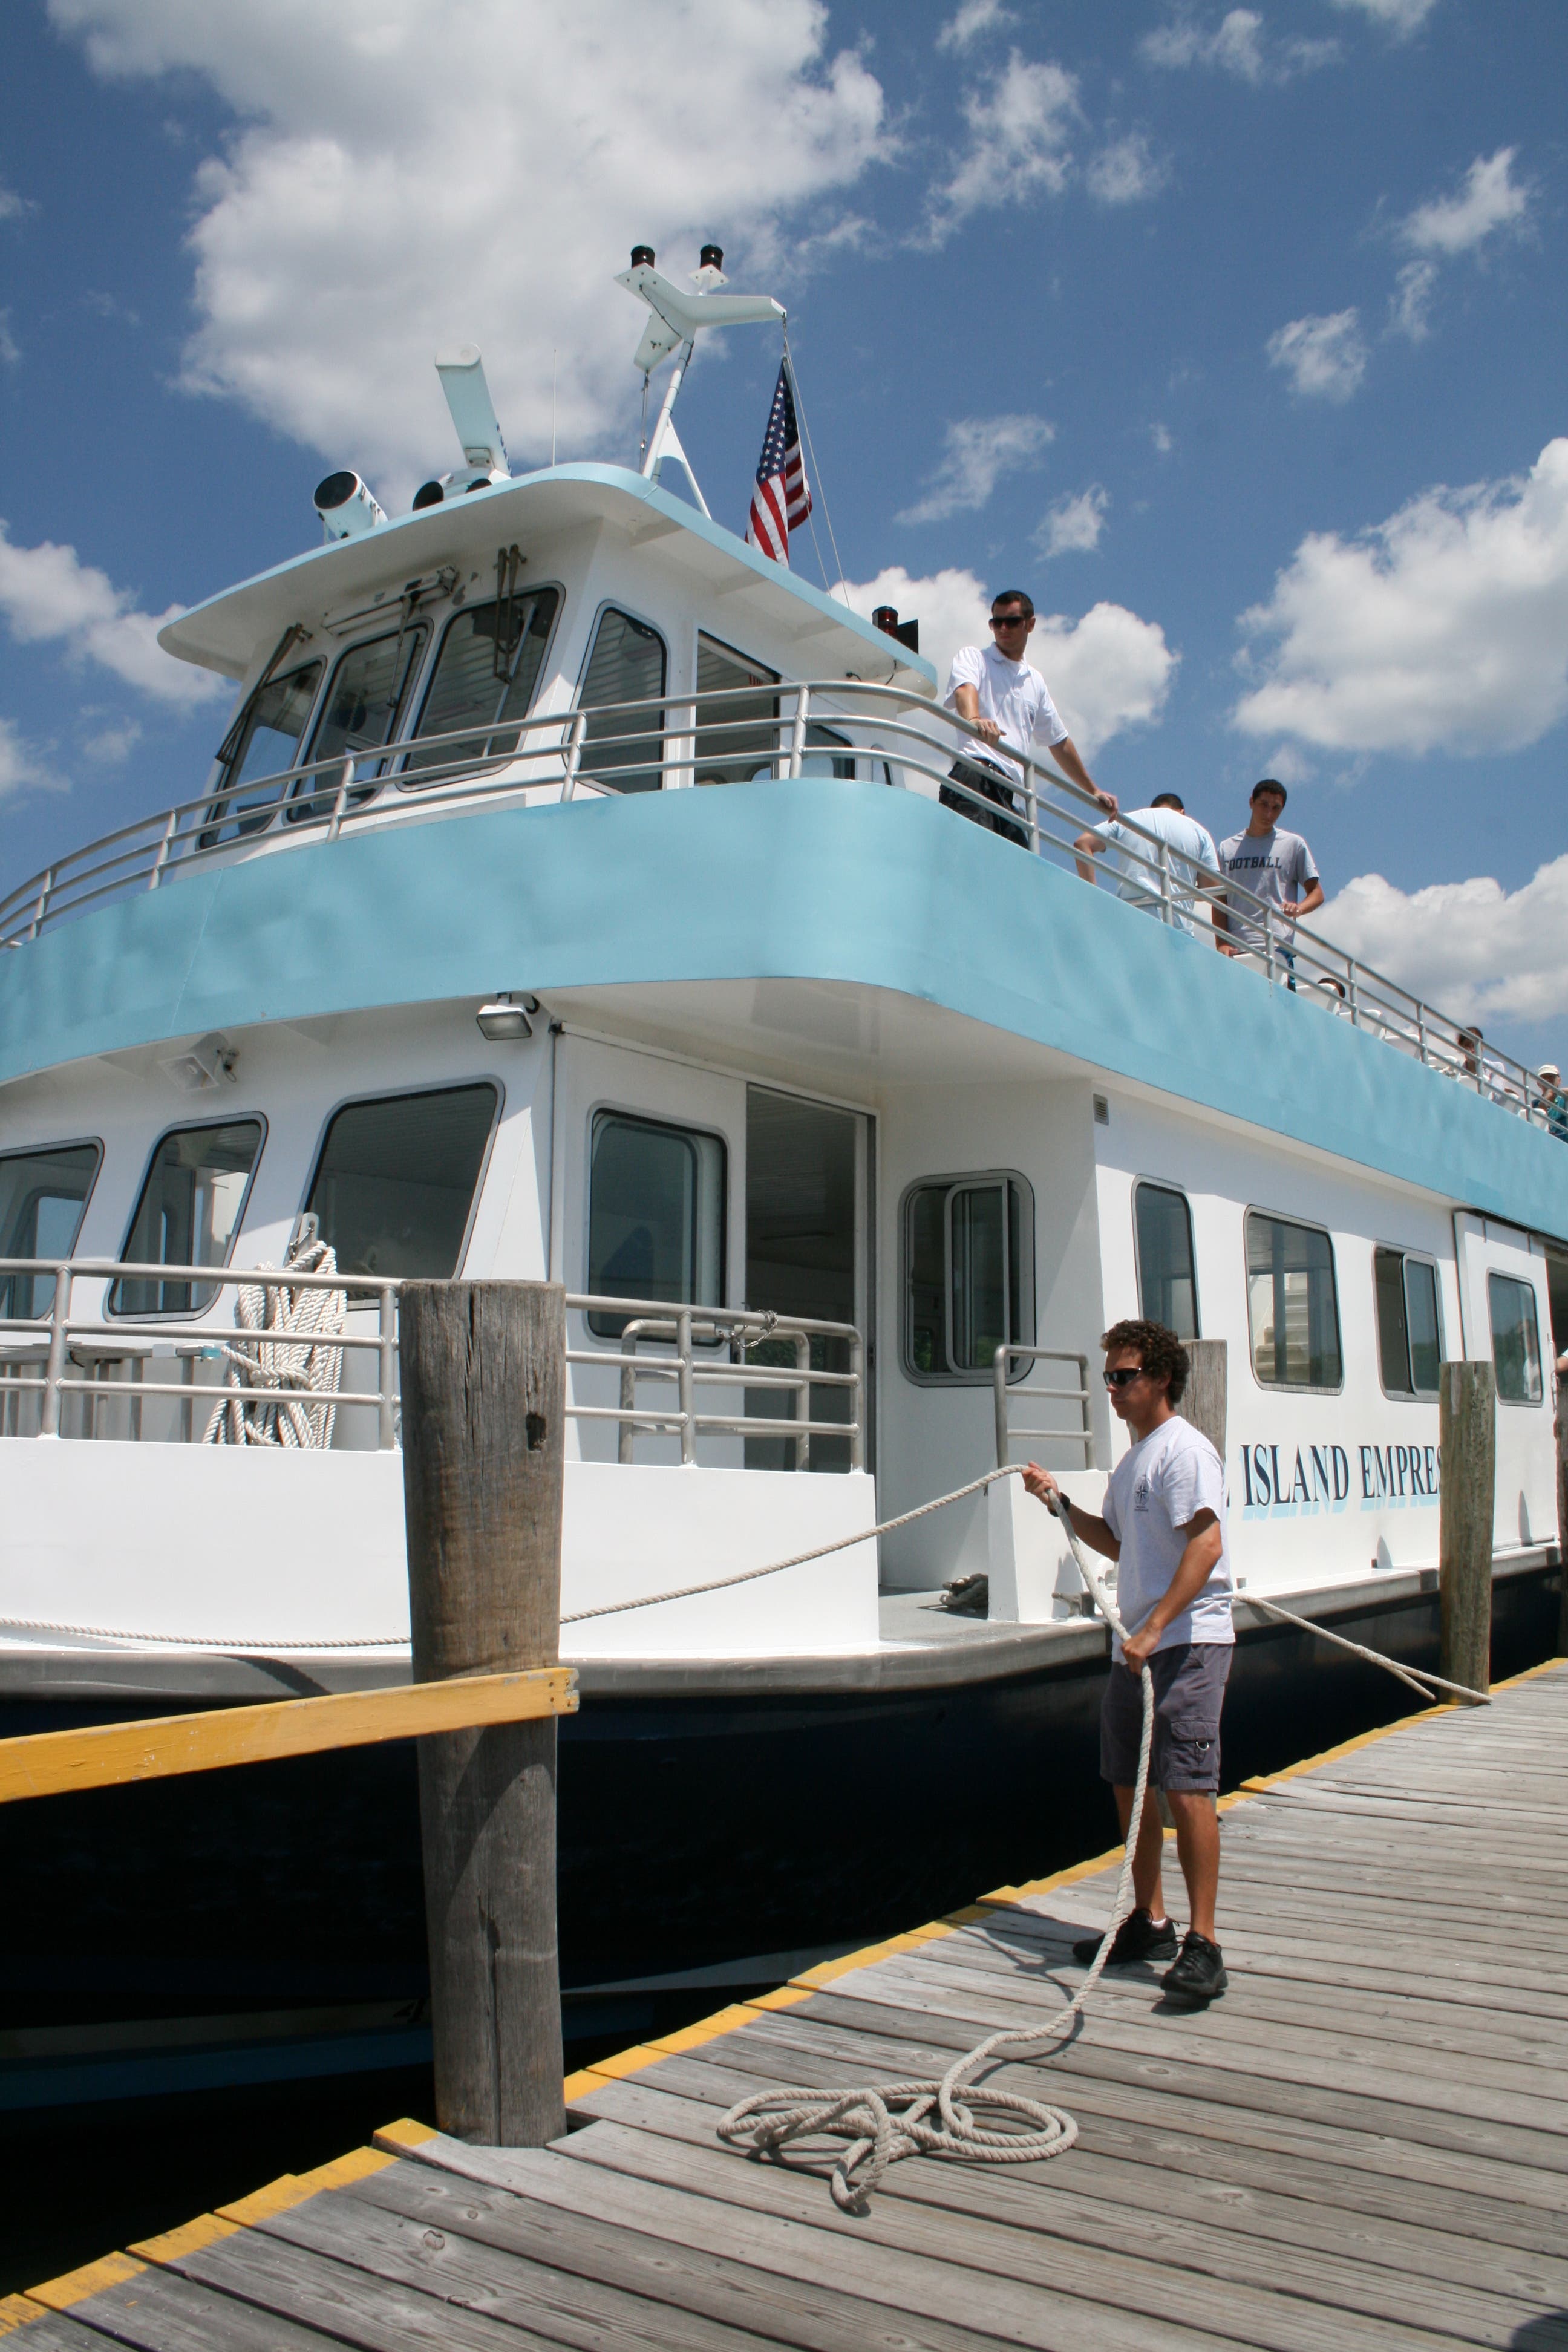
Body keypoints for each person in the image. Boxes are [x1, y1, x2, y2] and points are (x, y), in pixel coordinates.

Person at [1022, 1319, 1235, 2007]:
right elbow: (1115, 1541)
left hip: (1188, 1642)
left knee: (1188, 1786)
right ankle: (1150, 1922)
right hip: (1137, 1646)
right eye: (1108, 1376)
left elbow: (1205, 1547)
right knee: (1129, 1782)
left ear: (1161, 1380)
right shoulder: (1133, 1461)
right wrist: (1060, 1504)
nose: (1112, 1388)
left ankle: (1204, 1944)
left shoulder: (1185, 1451)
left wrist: (1158, 1627)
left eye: (1125, 1376)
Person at [943, 590, 1116, 846]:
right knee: (972, 858)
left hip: (1011, 792)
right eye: (996, 622)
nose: (1002, 628)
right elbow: (964, 690)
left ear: (1030, 624)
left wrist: (1093, 791)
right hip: (975, 774)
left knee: (1015, 877)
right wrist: (975, 718)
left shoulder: (1035, 681)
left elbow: (1059, 742)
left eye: (1011, 621)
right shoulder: (975, 657)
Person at [1214, 780, 1323, 984]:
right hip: (1236, 946)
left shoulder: (1293, 844)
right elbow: (1219, 900)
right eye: (1264, 805)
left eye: (1276, 808)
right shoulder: (1227, 848)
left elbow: (1317, 894)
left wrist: (1299, 908)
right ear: (1251, 802)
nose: (1269, 814)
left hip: (1277, 945)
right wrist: (1221, 941)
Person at [1073, 792, 1220, 937]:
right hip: (1177, 928)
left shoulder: (1129, 819)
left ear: (1152, 808)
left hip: (1132, 918)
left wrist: (1094, 896)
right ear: (1183, 812)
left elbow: (1083, 843)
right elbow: (1210, 890)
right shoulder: (1199, 832)